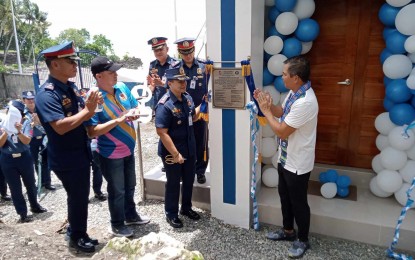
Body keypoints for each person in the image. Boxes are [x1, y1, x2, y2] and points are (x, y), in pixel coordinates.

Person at [35, 41, 101, 253]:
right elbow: (60, 127)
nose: (75, 65)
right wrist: (88, 112)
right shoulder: (47, 94)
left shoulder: (69, 87)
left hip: (79, 152)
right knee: (78, 197)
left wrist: (89, 111)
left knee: (80, 196)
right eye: (70, 61)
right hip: (67, 158)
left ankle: (77, 230)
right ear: (55, 65)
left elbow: (81, 114)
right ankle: (77, 236)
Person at [254, 56, 318, 259]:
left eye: (284, 74)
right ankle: (288, 231)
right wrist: (267, 104)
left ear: (296, 78)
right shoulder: (294, 92)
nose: (281, 77)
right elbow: (281, 111)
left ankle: (303, 240)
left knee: (299, 202)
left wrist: (265, 112)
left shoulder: (306, 102)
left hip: (298, 162)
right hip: (285, 158)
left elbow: (281, 131)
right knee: (284, 196)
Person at [86, 56, 150, 238]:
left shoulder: (121, 88)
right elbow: (93, 131)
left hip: (128, 149)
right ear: (99, 76)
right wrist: (119, 120)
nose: (115, 75)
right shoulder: (94, 99)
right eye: (111, 72)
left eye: (115, 71)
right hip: (110, 153)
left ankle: (130, 215)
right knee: (117, 190)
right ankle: (116, 224)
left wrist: (135, 112)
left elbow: (135, 106)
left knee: (130, 185)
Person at [155, 67, 202, 228]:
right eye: (179, 81)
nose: (184, 84)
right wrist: (175, 154)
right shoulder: (165, 105)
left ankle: (186, 208)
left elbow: (193, 117)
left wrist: (203, 105)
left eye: (184, 80)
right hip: (173, 151)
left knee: (189, 180)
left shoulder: (187, 98)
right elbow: (161, 132)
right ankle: (171, 213)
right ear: (169, 83)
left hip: (189, 147)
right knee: (174, 182)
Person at [0, 100, 47, 223]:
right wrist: (7, 131)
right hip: (8, 160)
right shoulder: (2, 123)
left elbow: (27, 141)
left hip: (24, 158)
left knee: (30, 184)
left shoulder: (26, 122)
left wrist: (18, 131)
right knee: (15, 188)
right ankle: (22, 213)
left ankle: (35, 206)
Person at [172, 38, 208, 184]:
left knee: (201, 142)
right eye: (184, 53)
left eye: (190, 52)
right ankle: (185, 170)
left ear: (194, 50)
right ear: (180, 53)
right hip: (181, 111)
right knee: (182, 142)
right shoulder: (175, 68)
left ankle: (200, 171)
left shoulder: (204, 66)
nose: (188, 56)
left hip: (200, 112)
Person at [22, 90, 55, 191]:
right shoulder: (22, 113)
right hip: (31, 141)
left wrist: (38, 122)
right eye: (28, 99)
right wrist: (30, 126)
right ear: (24, 100)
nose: (31, 101)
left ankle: (48, 182)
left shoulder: (40, 110)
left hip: (43, 138)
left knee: (46, 160)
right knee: (36, 161)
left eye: (32, 99)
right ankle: (40, 182)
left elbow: (49, 126)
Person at [147, 37, 177, 110]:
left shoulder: (176, 64)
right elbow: (151, 88)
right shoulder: (152, 65)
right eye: (155, 51)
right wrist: (151, 86)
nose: (158, 52)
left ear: (167, 49)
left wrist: (162, 84)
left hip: (174, 106)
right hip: (159, 106)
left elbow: (180, 86)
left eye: (160, 49)